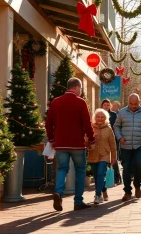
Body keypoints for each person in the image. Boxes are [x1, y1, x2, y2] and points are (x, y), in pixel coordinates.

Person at [45, 77, 95, 211]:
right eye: (81, 89)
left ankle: (58, 192)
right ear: (77, 87)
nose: (81, 91)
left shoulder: (56, 102)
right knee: (80, 170)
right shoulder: (81, 102)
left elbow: (48, 122)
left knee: (62, 169)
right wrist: (91, 139)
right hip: (77, 144)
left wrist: (51, 139)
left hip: (60, 143)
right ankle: (78, 201)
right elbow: (87, 124)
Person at [114, 93, 141, 202]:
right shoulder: (121, 112)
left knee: (139, 165)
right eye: (131, 104)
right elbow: (116, 126)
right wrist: (119, 137)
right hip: (125, 145)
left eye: (135, 104)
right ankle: (127, 191)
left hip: (139, 144)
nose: (133, 106)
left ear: (139, 102)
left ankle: (137, 185)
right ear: (128, 102)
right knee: (126, 168)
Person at [87, 108, 117, 204]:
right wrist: (90, 140)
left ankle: (98, 195)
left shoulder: (108, 129)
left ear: (106, 118)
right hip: (93, 154)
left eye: (102, 117)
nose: (100, 119)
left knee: (100, 173)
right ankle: (104, 190)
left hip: (105, 154)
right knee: (97, 176)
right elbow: (85, 142)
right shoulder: (91, 127)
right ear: (95, 118)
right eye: (98, 117)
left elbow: (113, 144)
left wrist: (113, 157)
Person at [101, 99, 122, 185]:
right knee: (103, 157)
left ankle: (117, 177)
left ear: (110, 106)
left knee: (113, 158)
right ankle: (105, 177)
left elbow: (117, 126)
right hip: (102, 139)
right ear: (102, 105)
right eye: (104, 105)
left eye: (107, 105)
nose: (106, 107)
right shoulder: (99, 113)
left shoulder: (113, 115)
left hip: (113, 138)